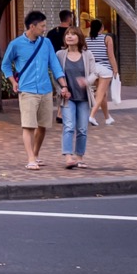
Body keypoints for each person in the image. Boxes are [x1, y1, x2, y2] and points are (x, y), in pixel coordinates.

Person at [1, 10, 68, 170]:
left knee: (43, 125)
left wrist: (63, 85)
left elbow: (55, 65)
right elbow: (5, 64)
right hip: (27, 90)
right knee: (29, 125)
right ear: (32, 26)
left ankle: (36, 154)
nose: (45, 29)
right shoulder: (16, 44)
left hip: (45, 89)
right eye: (42, 26)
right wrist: (12, 81)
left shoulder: (46, 44)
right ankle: (30, 158)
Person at [58, 27, 93, 168]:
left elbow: (94, 73)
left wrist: (87, 81)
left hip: (84, 98)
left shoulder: (87, 54)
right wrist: (61, 89)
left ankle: (79, 156)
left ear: (79, 37)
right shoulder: (60, 55)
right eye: (67, 34)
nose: (69, 37)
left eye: (73, 34)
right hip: (68, 97)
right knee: (69, 126)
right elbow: (57, 75)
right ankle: (68, 157)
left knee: (82, 129)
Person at [86, 17, 117, 126]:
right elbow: (111, 55)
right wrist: (115, 69)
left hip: (93, 68)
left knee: (102, 94)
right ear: (102, 28)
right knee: (100, 93)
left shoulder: (87, 40)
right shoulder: (107, 38)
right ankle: (92, 115)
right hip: (105, 68)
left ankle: (107, 117)